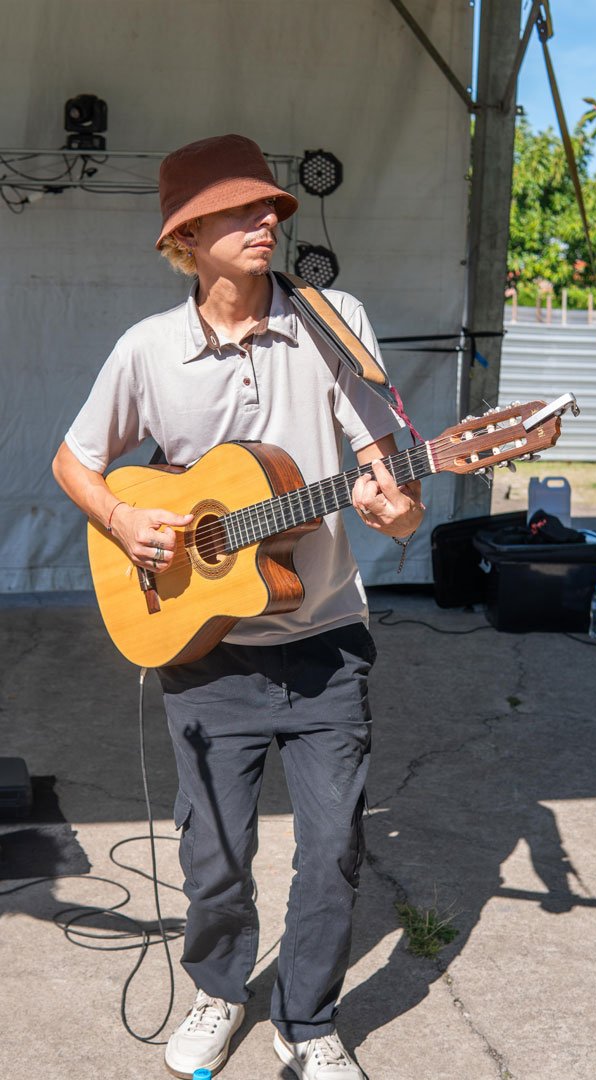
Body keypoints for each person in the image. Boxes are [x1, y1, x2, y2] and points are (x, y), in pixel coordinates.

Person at [52, 134, 424, 1080]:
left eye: (270, 206)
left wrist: (401, 507)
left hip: (326, 638)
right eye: (240, 209)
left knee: (332, 850)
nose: (268, 218)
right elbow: (74, 461)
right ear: (186, 237)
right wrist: (123, 518)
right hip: (203, 646)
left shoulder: (334, 320)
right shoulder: (148, 350)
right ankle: (220, 992)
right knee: (214, 856)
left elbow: (386, 467)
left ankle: (308, 1021)